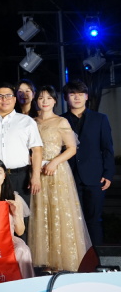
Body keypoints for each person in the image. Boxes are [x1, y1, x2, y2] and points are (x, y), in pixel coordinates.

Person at [29, 85, 91, 271]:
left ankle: (61, 262)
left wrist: (54, 162)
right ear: (36, 101)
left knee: (59, 213)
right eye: (41, 98)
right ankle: (44, 262)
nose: (45, 101)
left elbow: (71, 148)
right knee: (40, 213)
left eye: (49, 98)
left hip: (57, 172)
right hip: (37, 172)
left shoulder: (61, 121)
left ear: (55, 101)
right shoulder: (31, 122)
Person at [0, 83, 42, 241]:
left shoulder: (26, 121)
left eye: (8, 96)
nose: (4, 99)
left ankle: (21, 254)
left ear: (15, 99)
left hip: (20, 176)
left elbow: (37, 150)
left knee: (20, 219)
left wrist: (35, 176)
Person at [62, 80, 114, 247]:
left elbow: (107, 148)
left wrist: (108, 174)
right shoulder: (60, 120)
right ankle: (77, 257)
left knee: (94, 220)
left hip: (95, 177)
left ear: (86, 96)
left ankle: (96, 256)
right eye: (72, 94)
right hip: (68, 177)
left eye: (80, 94)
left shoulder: (100, 119)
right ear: (66, 98)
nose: (77, 97)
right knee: (73, 220)